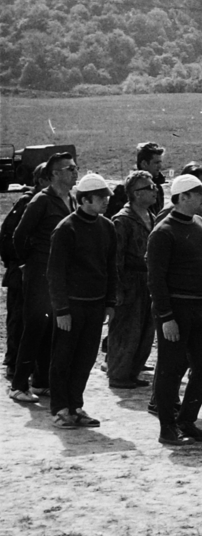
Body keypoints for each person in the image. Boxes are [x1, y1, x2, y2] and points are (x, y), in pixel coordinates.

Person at [146, 171, 202, 444]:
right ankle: (167, 426)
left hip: (200, 309)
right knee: (171, 367)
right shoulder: (163, 232)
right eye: (198, 193)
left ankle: (187, 420)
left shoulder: (199, 223)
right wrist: (166, 316)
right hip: (175, 310)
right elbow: (155, 279)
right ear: (182, 197)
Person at [46, 171, 117, 426]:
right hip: (71, 307)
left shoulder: (107, 227)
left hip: (95, 305)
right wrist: (61, 309)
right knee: (64, 358)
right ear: (85, 199)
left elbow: (111, 267)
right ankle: (61, 409)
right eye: (100, 197)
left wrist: (110, 303)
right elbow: (55, 272)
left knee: (86, 358)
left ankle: (76, 405)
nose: (106, 201)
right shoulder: (66, 229)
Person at [10, 149, 77, 402]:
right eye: (69, 169)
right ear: (54, 174)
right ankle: (19, 385)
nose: (75, 172)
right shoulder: (41, 200)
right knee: (35, 326)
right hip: (40, 272)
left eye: (75, 168)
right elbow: (20, 235)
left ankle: (40, 381)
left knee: (51, 327)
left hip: (60, 275)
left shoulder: (71, 200)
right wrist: (30, 262)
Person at [105, 168, 157, 388]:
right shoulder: (122, 220)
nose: (155, 190)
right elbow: (115, 258)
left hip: (147, 281)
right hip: (129, 281)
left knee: (145, 330)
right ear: (136, 193)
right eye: (149, 187)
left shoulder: (152, 217)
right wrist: (116, 288)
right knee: (126, 330)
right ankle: (118, 374)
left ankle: (133, 372)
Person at [108, 141, 167, 217]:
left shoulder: (158, 188)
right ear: (144, 164)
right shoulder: (123, 190)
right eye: (156, 163)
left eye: (160, 162)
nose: (160, 166)